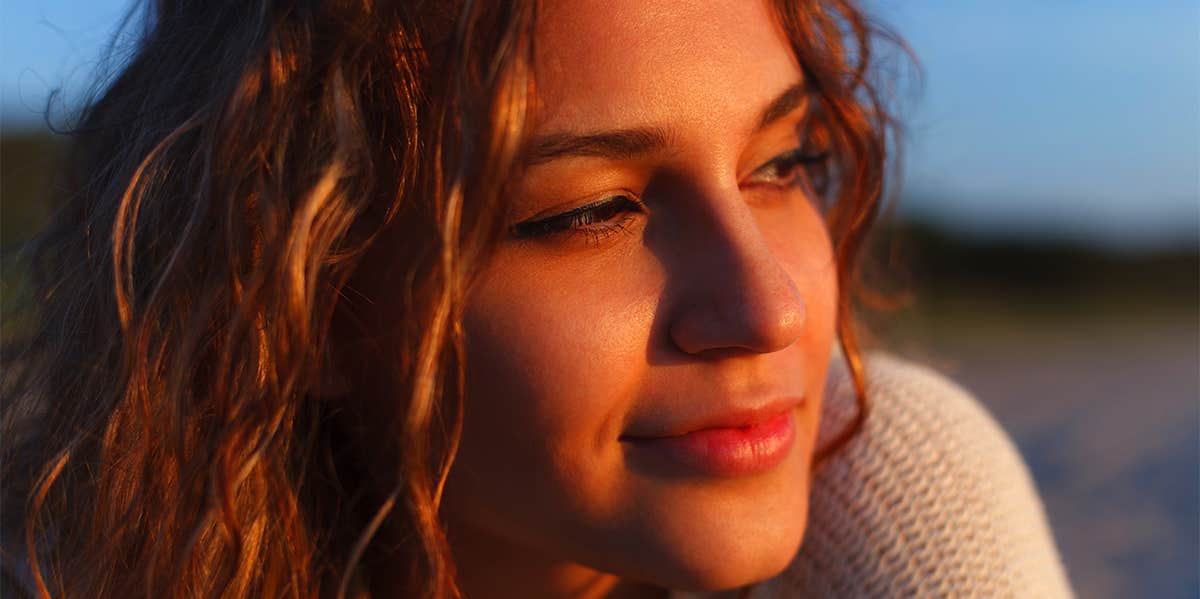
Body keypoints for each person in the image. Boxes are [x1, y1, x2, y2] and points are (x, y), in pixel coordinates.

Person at [0, 0, 1073, 597]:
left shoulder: (898, 505)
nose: (772, 309)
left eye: (783, 164)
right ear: (301, 297)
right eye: (589, 211)